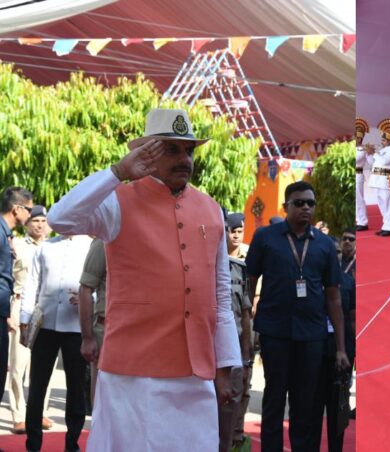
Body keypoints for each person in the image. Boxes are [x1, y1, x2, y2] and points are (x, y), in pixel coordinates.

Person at [47, 108, 241, 451]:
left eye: (189, 150)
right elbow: (60, 219)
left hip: (195, 371)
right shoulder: (117, 202)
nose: (184, 159)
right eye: (171, 149)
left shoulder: (211, 209)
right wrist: (118, 172)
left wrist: (227, 364)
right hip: (132, 372)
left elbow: (220, 296)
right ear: (147, 152)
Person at [246, 181, 350, 452]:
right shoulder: (265, 237)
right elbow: (250, 281)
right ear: (286, 206)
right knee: (274, 401)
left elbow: (334, 298)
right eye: (299, 202)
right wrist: (249, 324)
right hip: (274, 333)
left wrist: (340, 348)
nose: (306, 207)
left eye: (310, 203)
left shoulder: (325, 245)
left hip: (312, 336)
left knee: (306, 405)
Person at [19, 233, 93, 452]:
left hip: (76, 327)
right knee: (36, 387)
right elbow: (31, 284)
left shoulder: (90, 246)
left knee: (76, 388)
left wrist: (89, 300)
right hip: (45, 326)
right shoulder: (45, 247)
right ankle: (33, 444)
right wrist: (25, 320)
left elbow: (102, 284)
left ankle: (73, 443)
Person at [10, 205, 54, 434]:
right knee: (18, 364)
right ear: (27, 223)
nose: (39, 224)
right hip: (19, 304)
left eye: (44, 220)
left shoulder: (55, 246)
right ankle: (19, 414)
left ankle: (41, 412)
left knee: (44, 362)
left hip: (45, 308)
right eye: (35, 220)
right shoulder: (16, 244)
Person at [313, 228, 357, 452]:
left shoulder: (348, 281)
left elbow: (352, 319)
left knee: (337, 411)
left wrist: (350, 352)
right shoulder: (311, 281)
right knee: (311, 409)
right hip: (314, 351)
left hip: (341, 354)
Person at [218, 212, 254, 452]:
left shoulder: (239, 269)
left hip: (231, 357)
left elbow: (246, 317)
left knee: (230, 416)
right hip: (199, 358)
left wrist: (246, 357)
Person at [1, 186, 34, 427]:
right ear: (17, 209)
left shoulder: (6, 234)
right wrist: (5, 314)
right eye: (30, 210)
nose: (31, 217)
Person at [78, 238, 106, 417]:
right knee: (102, 406)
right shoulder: (103, 242)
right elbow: (86, 289)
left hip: (142, 334)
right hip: (107, 331)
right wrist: (87, 338)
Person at [368, 119, 390, 236]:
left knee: (388, 204)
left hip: (387, 180)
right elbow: (372, 163)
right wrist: (369, 154)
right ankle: (385, 225)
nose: (382, 142)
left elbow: (385, 161)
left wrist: (374, 153)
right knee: (381, 204)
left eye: (384, 140)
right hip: (377, 180)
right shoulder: (382, 150)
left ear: (389, 141)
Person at [355, 118, 370, 231]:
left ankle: (363, 221)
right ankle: (356, 219)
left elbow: (371, 162)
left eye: (358, 137)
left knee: (359, 198)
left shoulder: (363, 149)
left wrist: (370, 153)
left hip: (358, 174)